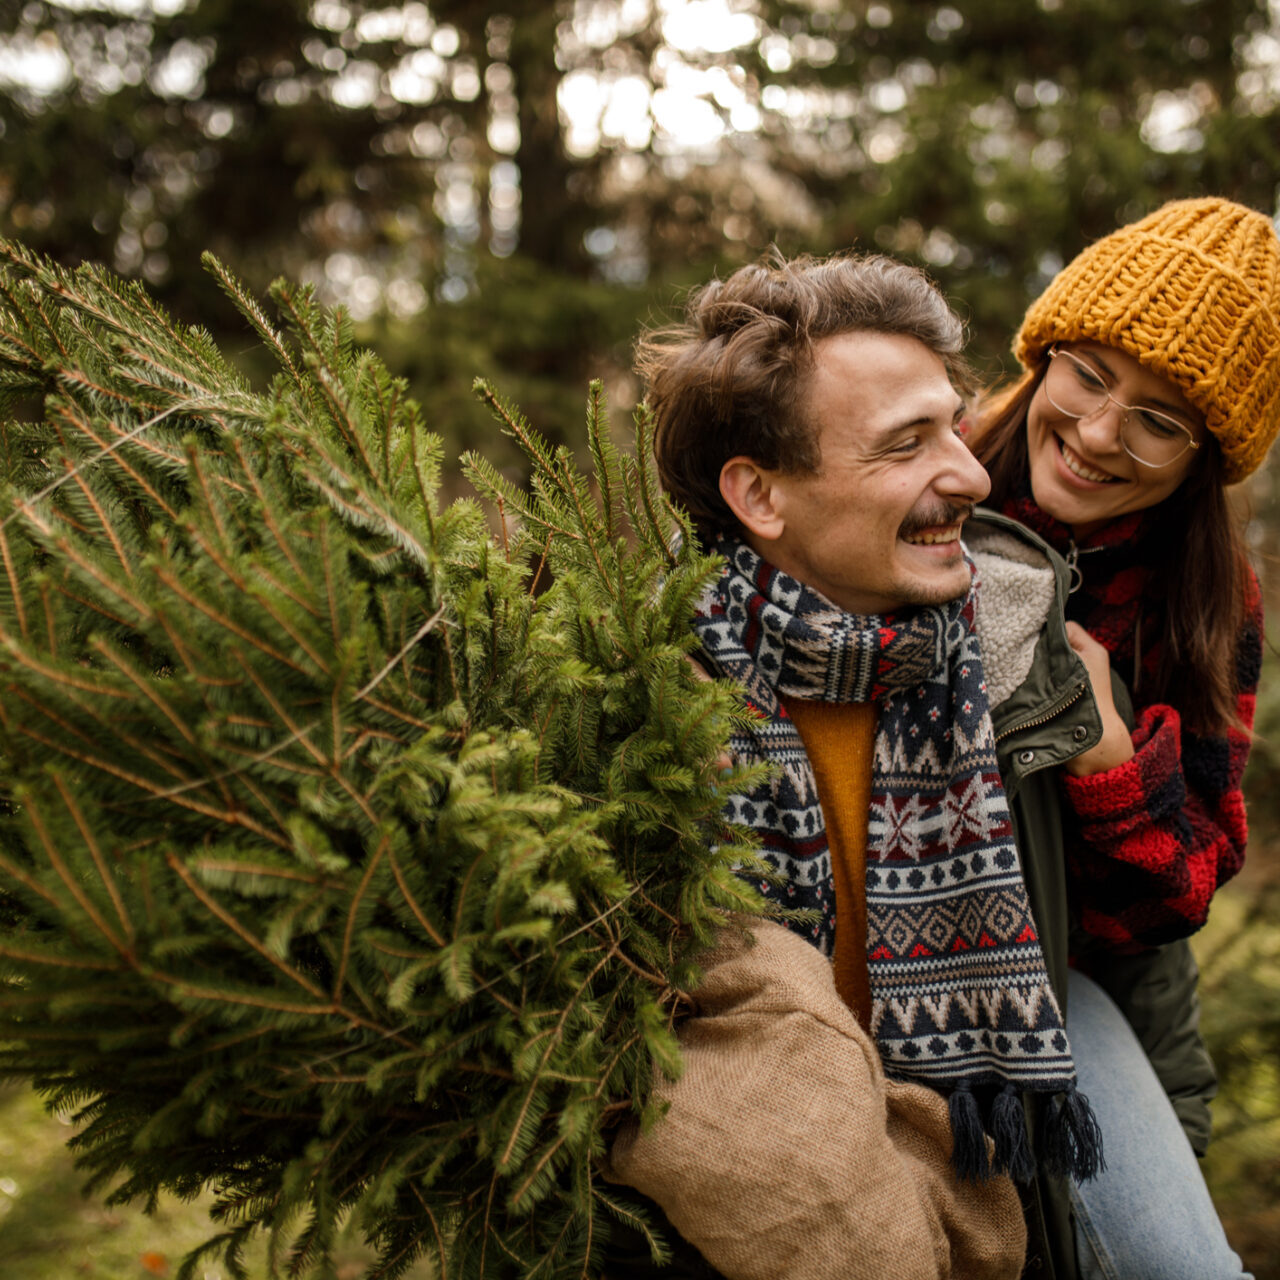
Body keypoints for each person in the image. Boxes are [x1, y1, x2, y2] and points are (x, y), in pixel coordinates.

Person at [598, 250, 1215, 1280]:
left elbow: (1129, 963)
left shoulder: (1027, 663)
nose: (974, 474)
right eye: (904, 444)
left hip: (988, 1162)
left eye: (952, 420)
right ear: (757, 492)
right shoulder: (637, 702)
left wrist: (1161, 1198)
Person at [965, 195, 1280, 1280]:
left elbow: (1175, 896)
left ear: (1204, 456)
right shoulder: (923, 476)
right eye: (1089, 375)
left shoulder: (1203, 603)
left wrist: (1106, 758)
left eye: (1158, 417)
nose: (1098, 433)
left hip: (1067, 976)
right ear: (1043, 352)